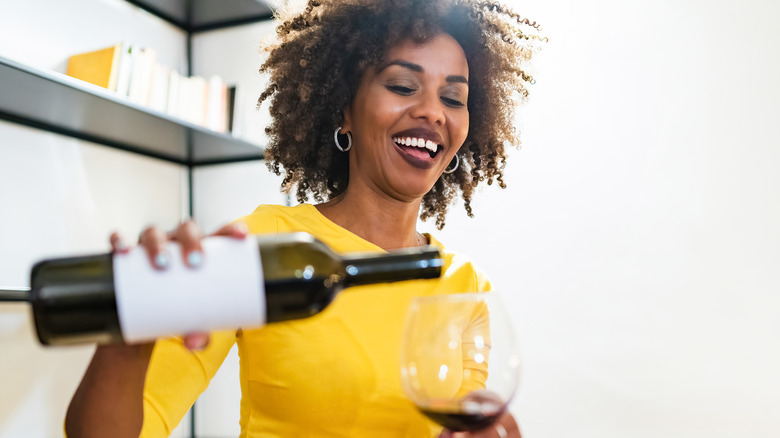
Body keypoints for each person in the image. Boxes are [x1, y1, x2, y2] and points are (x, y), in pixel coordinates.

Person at [64, 0, 543, 436]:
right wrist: (126, 343)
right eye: (402, 85)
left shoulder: (463, 285)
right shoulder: (266, 244)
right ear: (344, 109)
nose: (431, 112)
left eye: (453, 98)